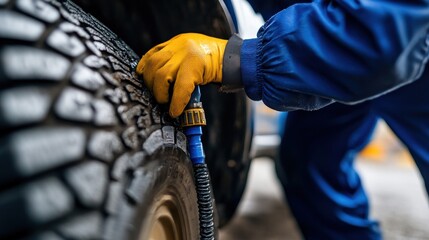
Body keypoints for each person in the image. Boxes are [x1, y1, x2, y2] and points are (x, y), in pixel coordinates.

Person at [136, 1, 429, 239]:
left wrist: (237, 58)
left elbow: (389, 24)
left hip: (402, 46)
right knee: (308, 162)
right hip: (331, 45)